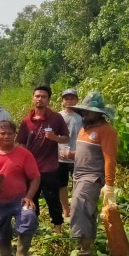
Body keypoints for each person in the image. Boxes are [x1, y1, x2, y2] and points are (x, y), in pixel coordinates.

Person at [0, 120, 40, 256]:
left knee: (29, 216)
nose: (6, 136)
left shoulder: (24, 154)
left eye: (10, 133)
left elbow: (35, 177)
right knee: (1, 233)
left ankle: (22, 254)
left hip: (19, 200)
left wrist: (29, 196)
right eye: (2, 133)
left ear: (15, 135)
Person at [69, 92, 118, 256]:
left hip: (92, 176)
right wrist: (71, 155)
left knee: (78, 204)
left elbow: (110, 159)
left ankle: (83, 245)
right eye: (86, 110)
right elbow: (86, 151)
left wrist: (109, 185)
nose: (87, 113)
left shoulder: (107, 131)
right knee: (87, 210)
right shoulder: (84, 127)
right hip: (78, 175)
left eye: (91, 110)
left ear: (100, 113)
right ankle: (87, 247)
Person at [17, 85, 70, 234]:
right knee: (31, 199)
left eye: (43, 96)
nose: (40, 99)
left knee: (52, 199)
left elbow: (66, 138)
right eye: (37, 96)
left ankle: (58, 228)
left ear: (48, 99)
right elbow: (21, 143)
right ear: (33, 98)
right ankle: (34, 228)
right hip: (31, 169)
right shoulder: (26, 121)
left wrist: (54, 138)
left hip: (50, 168)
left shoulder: (56, 118)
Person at [58, 88, 83, 218]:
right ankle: (65, 209)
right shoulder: (58, 116)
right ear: (62, 101)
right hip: (60, 156)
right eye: (66, 98)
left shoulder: (81, 117)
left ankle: (75, 208)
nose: (69, 101)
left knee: (77, 183)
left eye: (72, 98)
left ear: (77, 100)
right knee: (62, 185)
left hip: (77, 155)